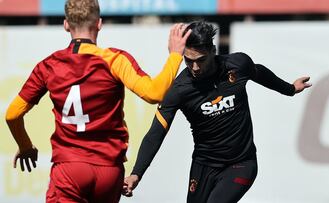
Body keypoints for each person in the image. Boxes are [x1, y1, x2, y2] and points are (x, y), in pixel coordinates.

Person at [4, 0, 191, 202]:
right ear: (99, 24)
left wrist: (25, 147)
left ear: (66, 24)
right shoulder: (115, 60)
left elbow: (12, 115)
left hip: (69, 169)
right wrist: (174, 56)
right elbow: (154, 94)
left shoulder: (49, 66)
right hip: (109, 171)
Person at [122, 21, 312, 203]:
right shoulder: (179, 89)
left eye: (201, 60)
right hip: (203, 165)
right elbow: (156, 133)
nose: (194, 67)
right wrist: (136, 173)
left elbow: (258, 72)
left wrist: (290, 89)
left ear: (213, 51)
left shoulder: (238, 64)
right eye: (188, 61)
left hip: (241, 164)